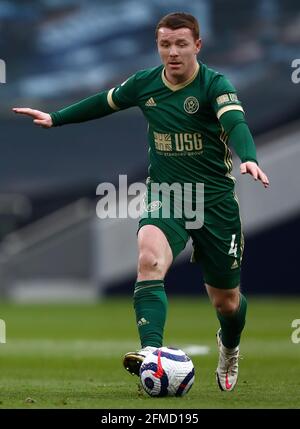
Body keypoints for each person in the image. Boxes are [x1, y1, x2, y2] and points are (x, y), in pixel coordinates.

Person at [13, 12, 269, 392]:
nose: (173, 52)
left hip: (214, 202)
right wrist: (57, 118)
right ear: (158, 46)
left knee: (226, 303)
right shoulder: (144, 84)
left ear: (197, 45)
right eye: (165, 44)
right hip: (167, 195)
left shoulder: (215, 85)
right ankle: (152, 355)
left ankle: (229, 347)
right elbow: (105, 101)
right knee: (149, 260)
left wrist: (248, 156)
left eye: (181, 44)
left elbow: (236, 123)